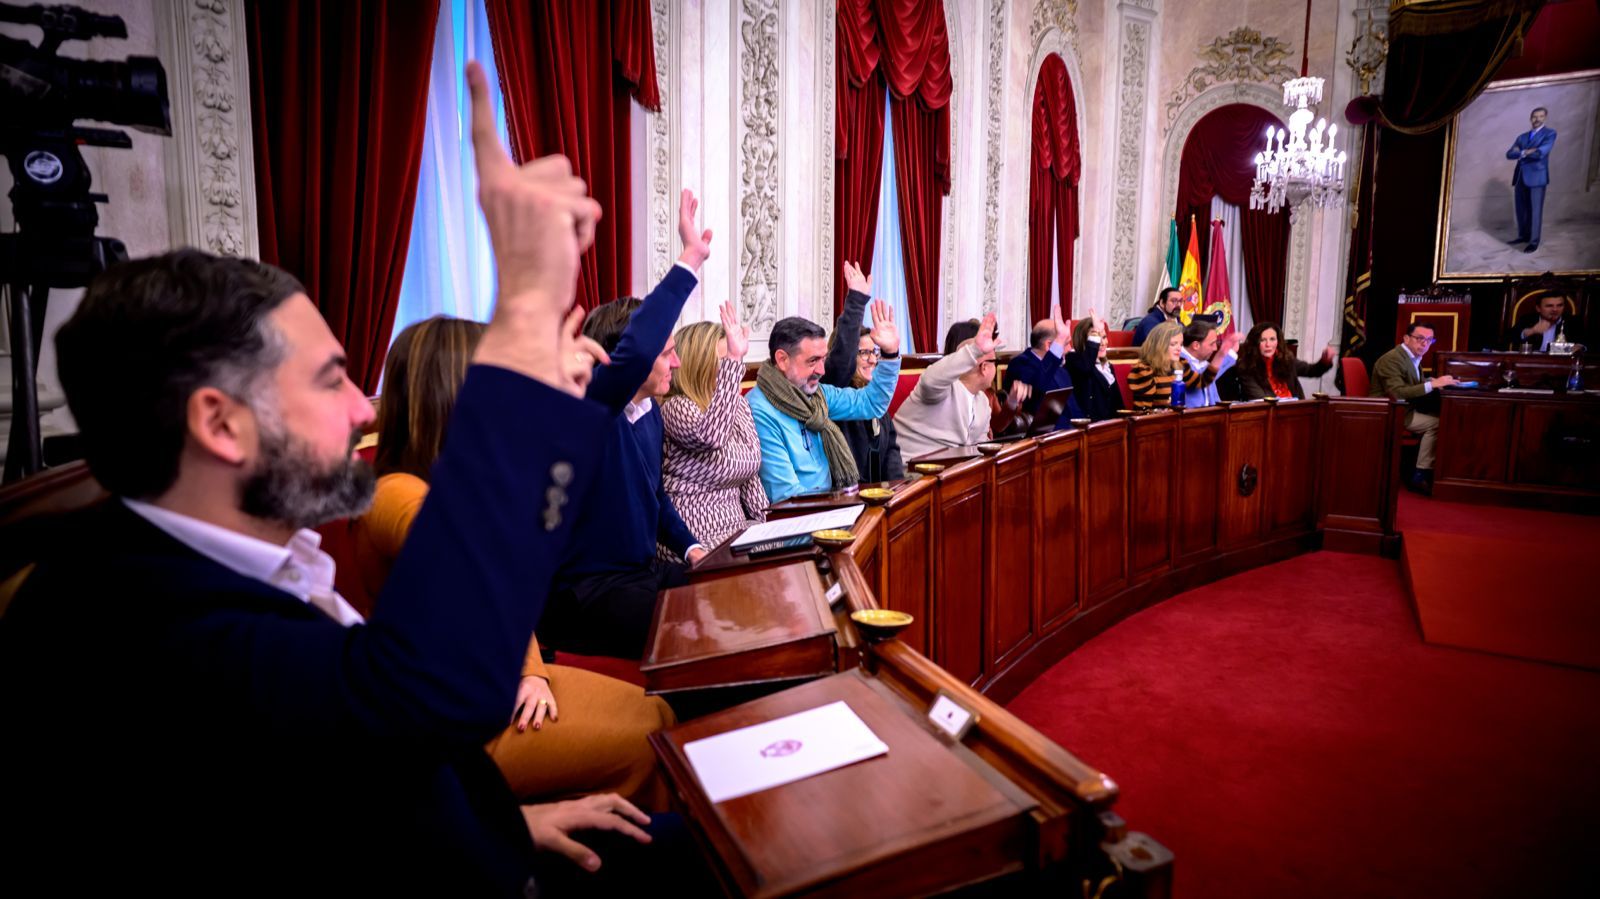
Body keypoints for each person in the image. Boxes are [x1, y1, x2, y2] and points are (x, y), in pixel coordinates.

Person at [0, 62, 692, 894]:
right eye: (331, 380)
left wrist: (512, 821)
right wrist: (521, 324)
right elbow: (431, 698)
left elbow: (352, 769)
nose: (363, 414)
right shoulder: (114, 621)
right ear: (220, 423)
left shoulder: (201, 558)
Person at [352, 315, 675, 810]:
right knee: (648, 737)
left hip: (497, 673)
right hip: (448, 714)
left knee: (657, 716)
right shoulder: (396, 493)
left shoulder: (455, 478)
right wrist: (531, 672)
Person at [539, 189, 713, 660]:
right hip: (585, 592)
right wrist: (688, 261)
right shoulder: (593, 408)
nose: (676, 363)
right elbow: (637, 351)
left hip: (638, 574)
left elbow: (654, 501)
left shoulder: (649, 412)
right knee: (693, 635)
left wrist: (693, 547)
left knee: (723, 594)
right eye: (667, 351)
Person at [750, 306, 902, 503]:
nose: (821, 370)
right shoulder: (760, 410)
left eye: (823, 359)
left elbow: (872, 402)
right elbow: (786, 497)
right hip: (803, 520)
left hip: (832, 505)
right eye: (813, 361)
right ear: (782, 360)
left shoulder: (818, 395)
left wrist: (890, 354)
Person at [660, 300, 769, 551]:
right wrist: (734, 361)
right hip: (693, 541)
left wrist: (768, 524)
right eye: (725, 360)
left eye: (734, 359)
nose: (733, 367)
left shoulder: (738, 406)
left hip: (737, 532)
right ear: (698, 364)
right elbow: (712, 437)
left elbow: (750, 471)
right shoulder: (677, 407)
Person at [823, 261, 905, 483]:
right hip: (846, 501)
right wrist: (856, 301)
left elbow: (891, 454)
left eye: (875, 352)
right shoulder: (836, 390)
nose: (871, 359)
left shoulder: (876, 396)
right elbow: (841, 360)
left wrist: (897, 494)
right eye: (863, 353)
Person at [895, 313, 1004, 457]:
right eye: (995, 363)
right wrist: (975, 351)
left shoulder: (983, 402)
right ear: (984, 368)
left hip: (951, 471)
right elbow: (931, 378)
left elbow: (979, 447)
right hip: (911, 470)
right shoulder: (941, 388)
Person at [1370, 323, 1459, 495]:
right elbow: (1397, 393)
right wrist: (1433, 384)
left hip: (1405, 407)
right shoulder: (1392, 359)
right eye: (1420, 338)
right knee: (1438, 424)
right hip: (1390, 411)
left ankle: (1413, 466)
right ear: (1406, 338)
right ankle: (1420, 474)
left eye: (1429, 340)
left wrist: (1433, 381)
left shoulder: (1410, 356)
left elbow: (1411, 383)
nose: (1424, 344)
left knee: (1441, 416)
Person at [1002, 303, 1077, 419]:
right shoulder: (1020, 364)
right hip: (1045, 434)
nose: (1069, 349)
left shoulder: (1061, 369)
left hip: (1072, 432)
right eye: (1065, 344)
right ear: (1049, 345)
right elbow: (1039, 385)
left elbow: (1073, 408)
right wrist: (1059, 343)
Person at [1233, 322, 1336, 400]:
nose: (1268, 345)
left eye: (1272, 339)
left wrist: (1325, 361)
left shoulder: (1286, 359)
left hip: (1296, 411)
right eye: (1263, 340)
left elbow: (1311, 371)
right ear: (1255, 343)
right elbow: (1259, 399)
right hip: (1270, 416)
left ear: (1278, 341)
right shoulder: (1246, 367)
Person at [1506, 106, 1556, 253]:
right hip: (1520, 176)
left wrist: (1522, 153)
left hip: (1537, 177)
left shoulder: (1550, 133)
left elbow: (1541, 153)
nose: (1537, 119)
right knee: (1521, 210)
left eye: (1540, 116)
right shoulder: (1522, 137)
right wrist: (1525, 152)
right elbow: (1509, 154)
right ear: (1530, 118)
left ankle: (1534, 242)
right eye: (1534, 116)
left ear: (1545, 118)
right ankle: (1523, 236)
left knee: (1535, 210)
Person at [1064, 314, 1120, 421]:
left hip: (1111, 428)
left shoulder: (1108, 367)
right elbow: (1086, 368)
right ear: (1084, 341)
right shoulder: (1074, 361)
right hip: (1088, 430)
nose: (1103, 343)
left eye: (1104, 337)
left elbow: (1116, 404)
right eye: (1097, 339)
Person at [1177, 318, 1242, 408]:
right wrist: (1223, 353)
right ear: (1196, 345)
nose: (1215, 348)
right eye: (1212, 344)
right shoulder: (1179, 361)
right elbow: (1204, 378)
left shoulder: (1202, 361)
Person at [1128, 321, 1184, 411]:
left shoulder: (1176, 367)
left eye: (1181, 344)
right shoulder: (1144, 371)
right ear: (1159, 346)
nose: (1179, 348)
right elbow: (1142, 412)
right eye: (1173, 344)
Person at [1504, 292, 1585, 352]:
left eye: (1560, 305)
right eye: (1549, 306)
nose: (1555, 309)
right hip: (1532, 363)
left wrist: (1580, 346)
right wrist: (1531, 331)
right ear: (1538, 308)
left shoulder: (1574, 321)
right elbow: (1506, 337)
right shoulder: (1527, 319)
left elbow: (1588, 343)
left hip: (1563, 364)